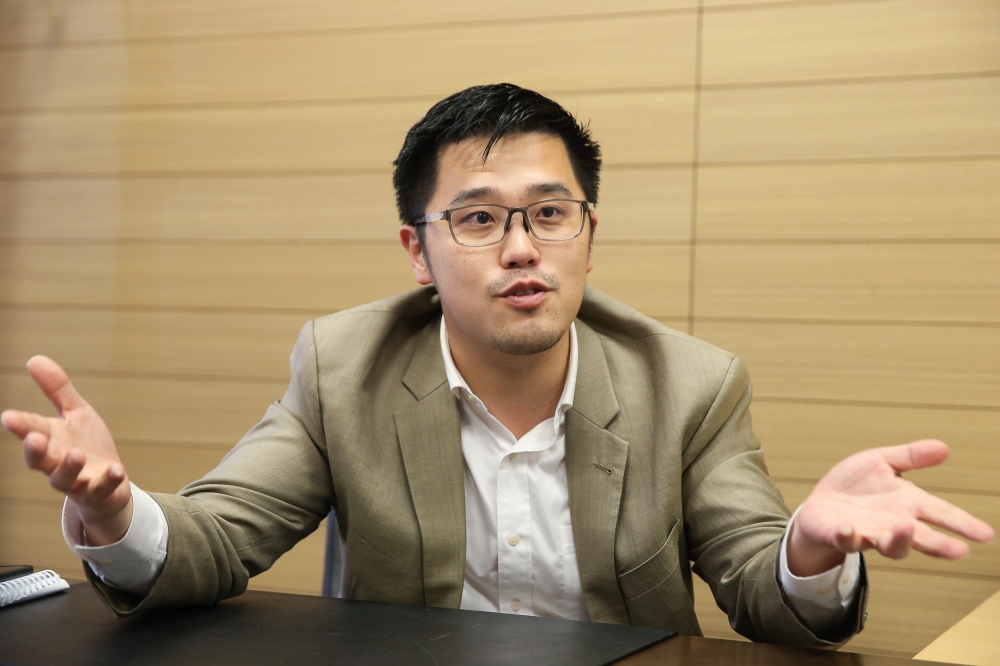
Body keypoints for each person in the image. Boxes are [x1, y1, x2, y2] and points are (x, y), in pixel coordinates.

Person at [2, 84, 992, 650]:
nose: (522, 248)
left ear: (588, 236)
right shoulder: (344, 367)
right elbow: (219, 538)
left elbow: (758, 591)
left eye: (550, 213)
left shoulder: (689, 383)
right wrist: (114, 514)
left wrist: (807, 551)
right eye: (478, 218)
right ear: (417, 251)